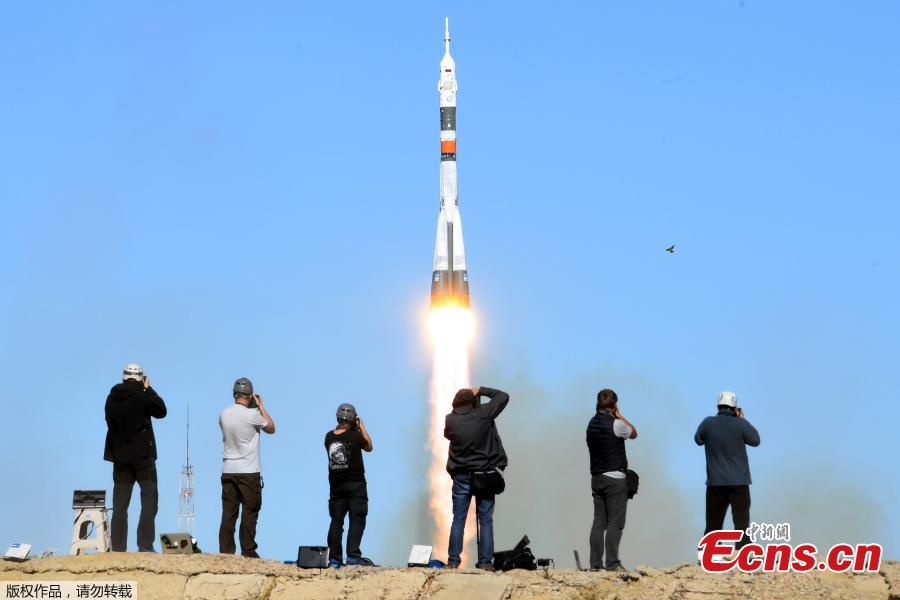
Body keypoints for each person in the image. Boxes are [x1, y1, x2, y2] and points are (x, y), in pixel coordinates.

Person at [444, 386, 510, 571]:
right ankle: (485, 562)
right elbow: (503, 396)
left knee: (459, 518)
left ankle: (453, 561)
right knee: (485, 519)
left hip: (461, 476)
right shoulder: (483, 414)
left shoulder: (450, 420)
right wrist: (480, 390)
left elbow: (449, 434)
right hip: (485, 475)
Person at [104, 363, 167, 552]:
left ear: (124, 377)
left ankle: (118, 548)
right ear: (141, 377)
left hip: (120, 458)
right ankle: (145, 545)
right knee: (149, 499)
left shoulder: (111, 398)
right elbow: (161, 411)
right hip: (143, 457)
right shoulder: (142, 396)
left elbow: (109, 421)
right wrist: (149, 389)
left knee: (120, 505)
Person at [695, 390, 760, 550]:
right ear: (735, 408)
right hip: (739, 483)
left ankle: (708, 555)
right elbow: (755, 440)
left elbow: (698, 439)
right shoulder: (740, 424)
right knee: (742, 523)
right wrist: (743, 420)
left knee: (713, 523)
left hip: (715, 483)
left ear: (718, 406)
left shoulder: (707, 423)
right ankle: (743, 553)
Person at [218, 377, 276, 558]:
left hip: (228, 469)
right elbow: (272, 428)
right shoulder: (253, 415)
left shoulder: (224, 414)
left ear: (234, 394)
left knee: (229, 512)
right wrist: (260, 406)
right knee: (250, 511)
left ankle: (226, 551)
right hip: (249, 471)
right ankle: (248, 550)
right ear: (250, 395)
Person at [586, 388, 638, 572]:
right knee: (615, 523)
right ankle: (613, 564)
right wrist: (620, 415)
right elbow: (633, 433)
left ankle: (595, 564)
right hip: (615, 479)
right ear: (614, 405)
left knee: (599, 522)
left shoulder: (591, 424)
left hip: (597, 477)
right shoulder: (616, 424)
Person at [325, 403, 375, 567]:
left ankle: (334, 558)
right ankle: (353, 555)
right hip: (355, 486)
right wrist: (361, 426)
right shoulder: (355, 436)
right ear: (353, 419)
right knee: (357, 519)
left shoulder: (329, 437)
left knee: (336, 521)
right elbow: (369, 446)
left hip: (336, 487)